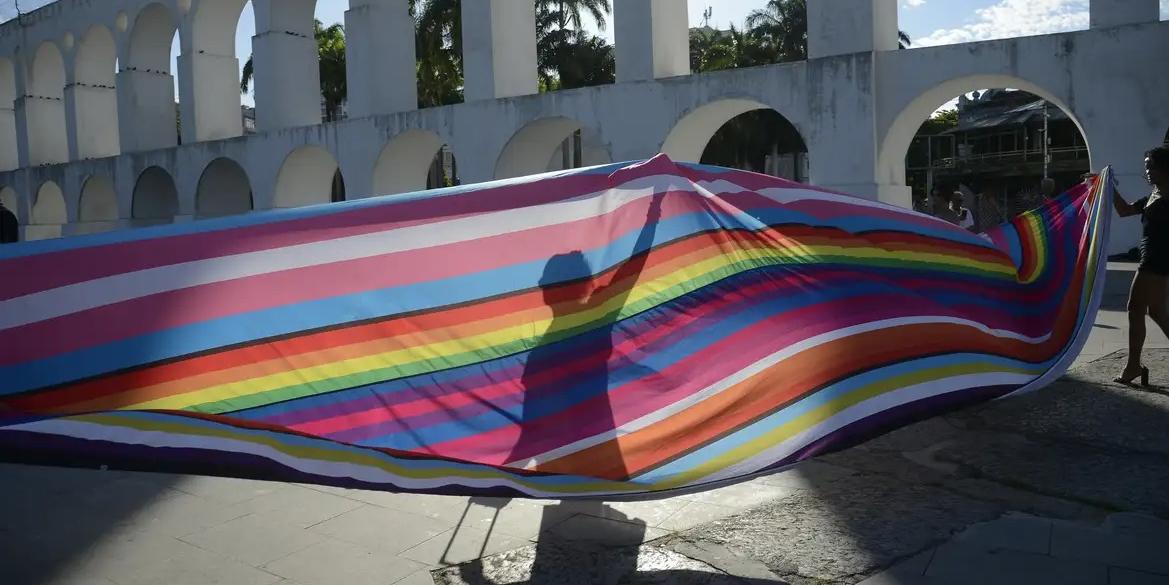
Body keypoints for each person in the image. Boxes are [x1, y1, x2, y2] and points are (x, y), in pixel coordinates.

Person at [1111, 146, 1169, 386]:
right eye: (1146, 165)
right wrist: (1107, 186)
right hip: (1152, 257)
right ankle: (1134, 364)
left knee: (1134, 307)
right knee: (1155, 311)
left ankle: (1133, 365)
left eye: (1151, 165)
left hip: (1157, 259)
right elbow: (1124, 211)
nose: (1147, 170)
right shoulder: (1152, 196)